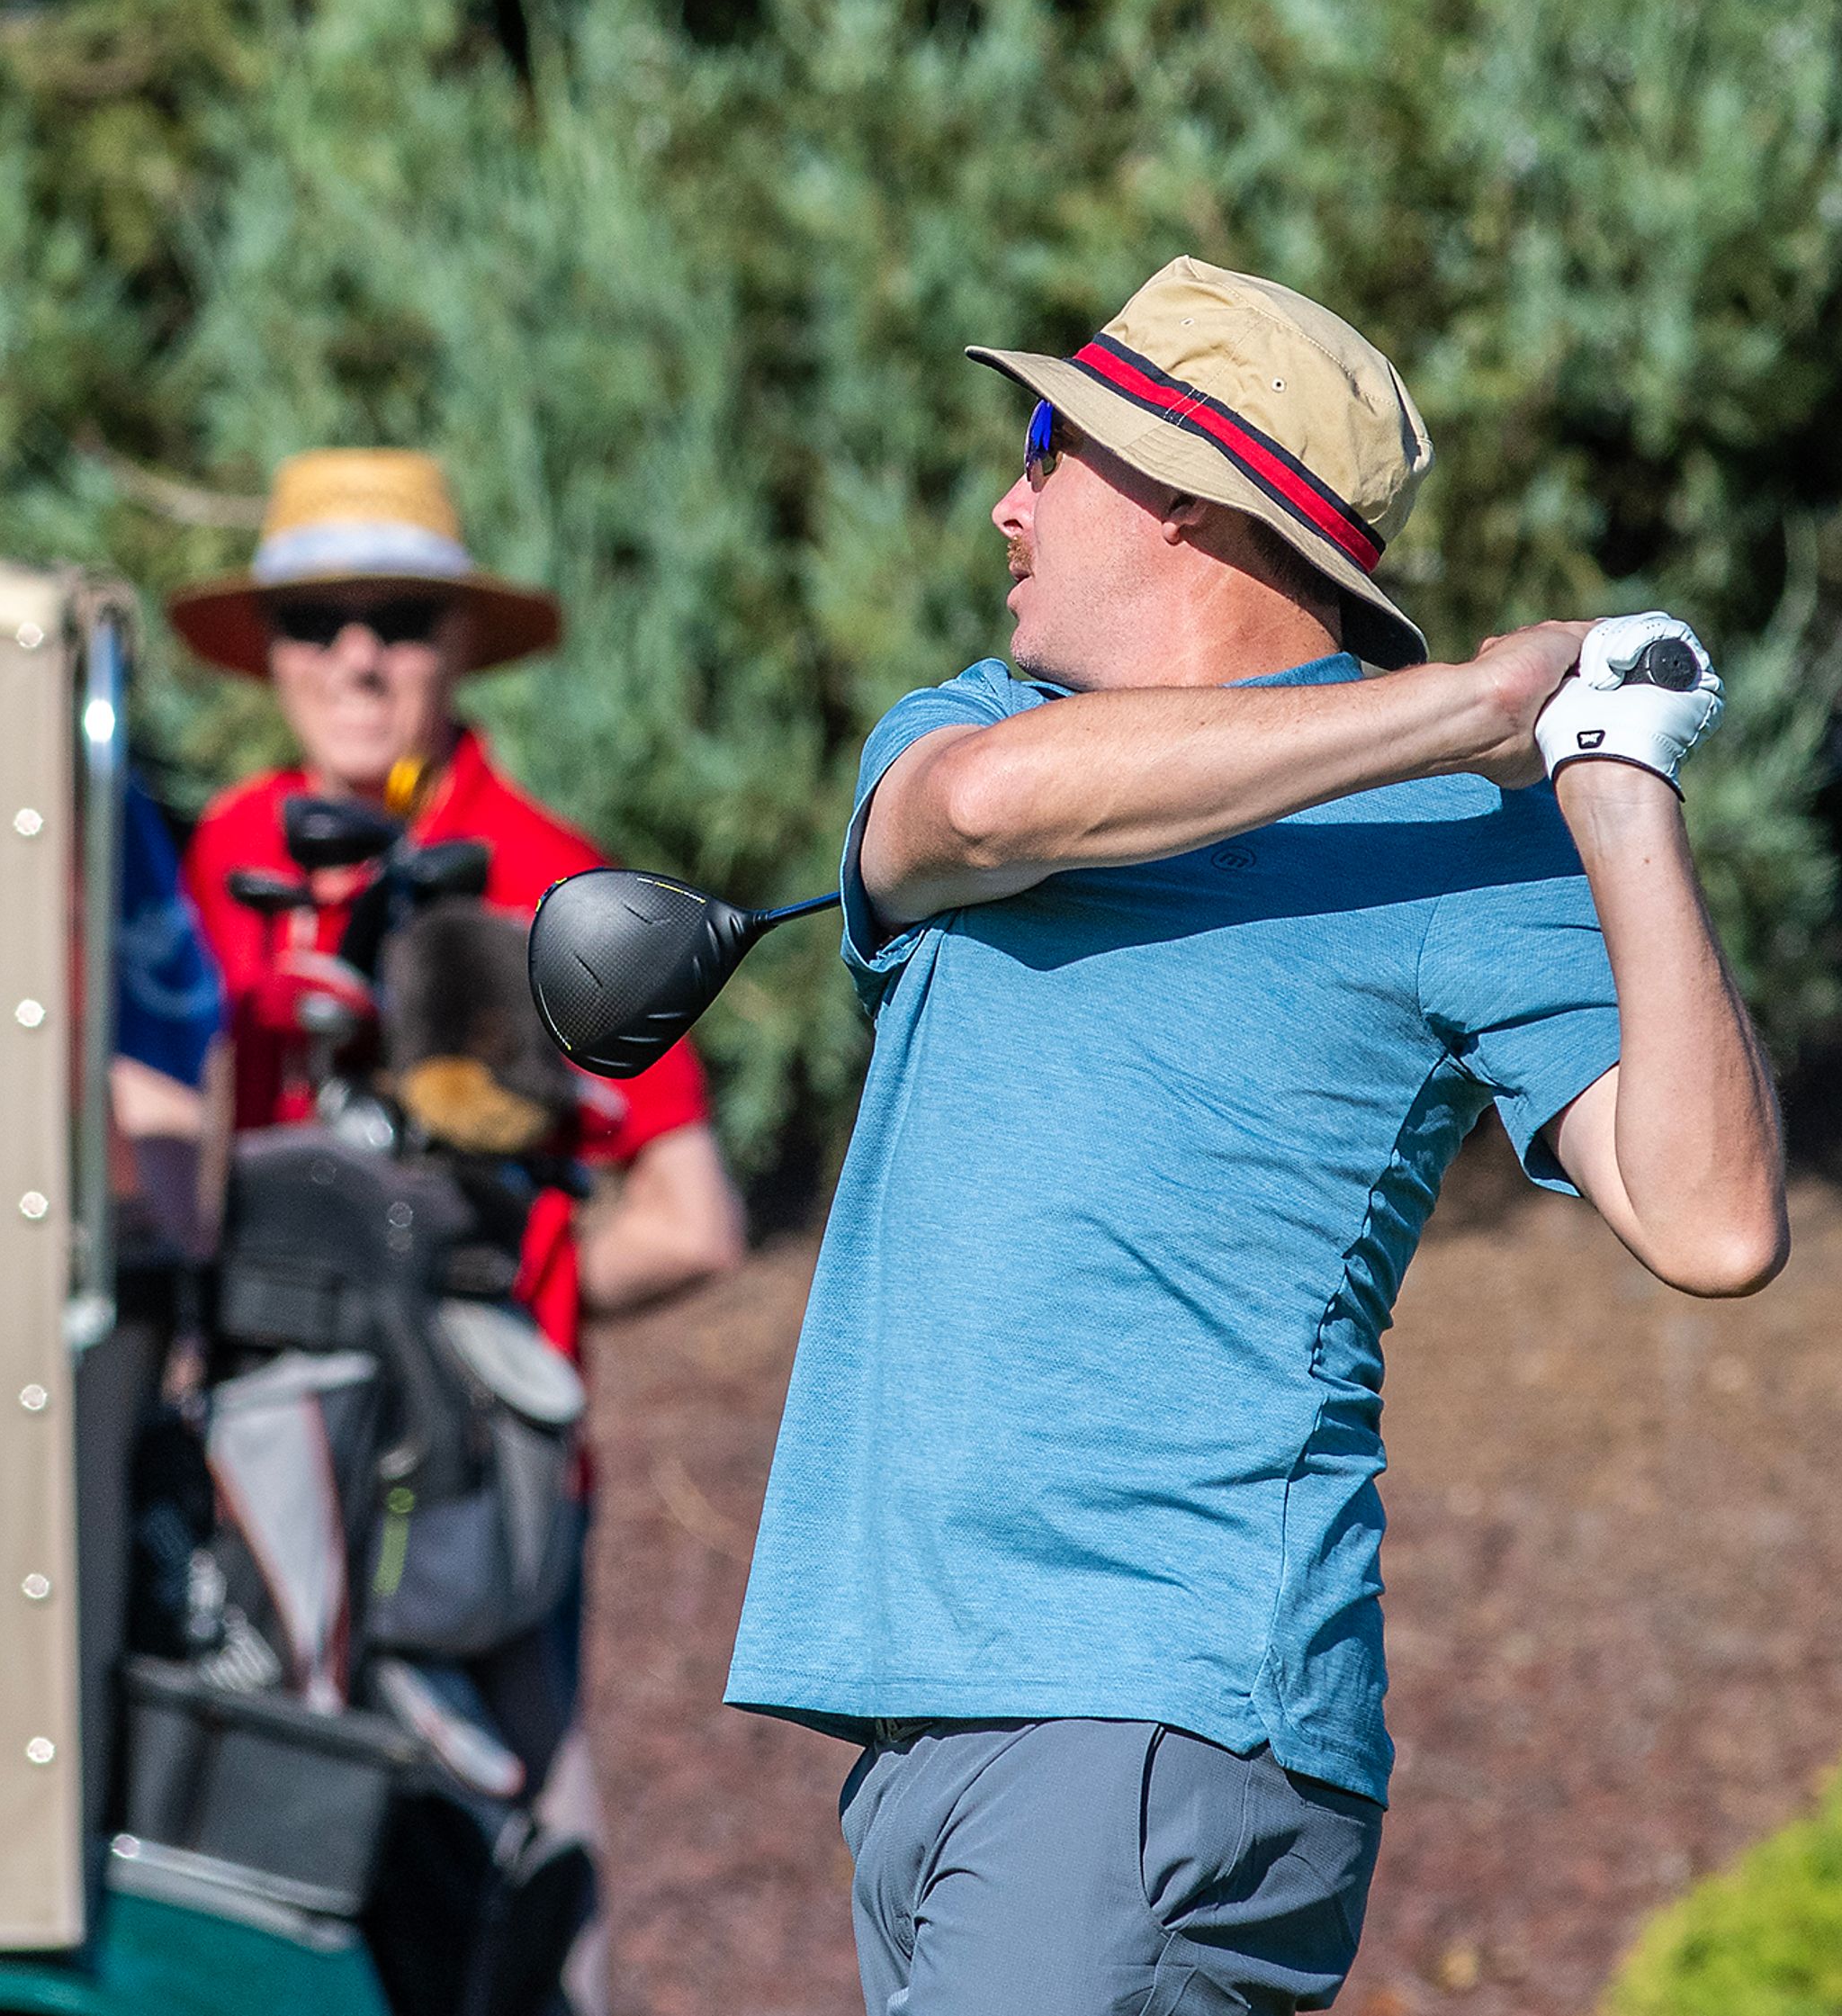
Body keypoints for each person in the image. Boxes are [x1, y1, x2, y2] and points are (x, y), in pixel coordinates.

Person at [724, 257, 1786, 2015]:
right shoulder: (983, 730)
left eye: (1049, 447)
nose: (1007, 499)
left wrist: (1618, 791)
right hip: (949, 1740)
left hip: (1150, 1713)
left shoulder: (1467, 843)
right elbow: (969, 821)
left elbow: (1715, 1224)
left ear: (1191, 504)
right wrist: (1469, 703)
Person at [172, 446, 750, 2014]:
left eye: (402, 616)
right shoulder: (208, 861)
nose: (358, 655)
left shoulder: (553, 880)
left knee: (506, 1900)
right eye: (318, 620)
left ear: (460, 644)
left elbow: (690, 1217)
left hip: (470, 1493)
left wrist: (494, 1312)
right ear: (273, 652)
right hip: (233, 1473)